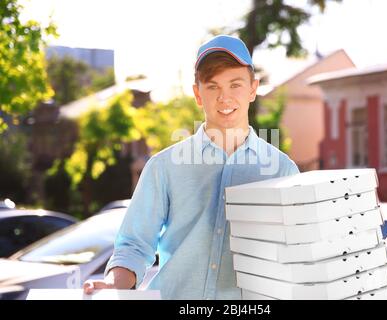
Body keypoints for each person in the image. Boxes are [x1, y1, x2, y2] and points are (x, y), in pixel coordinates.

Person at [83, 35, 299, 299]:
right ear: (198, 93)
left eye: (235, 85)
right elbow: (134, 246)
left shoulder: (283, 171)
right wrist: (113, 285)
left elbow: (298, 256)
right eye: (212, 86)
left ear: (253, 89)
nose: (224, 97)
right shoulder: (163, 167)